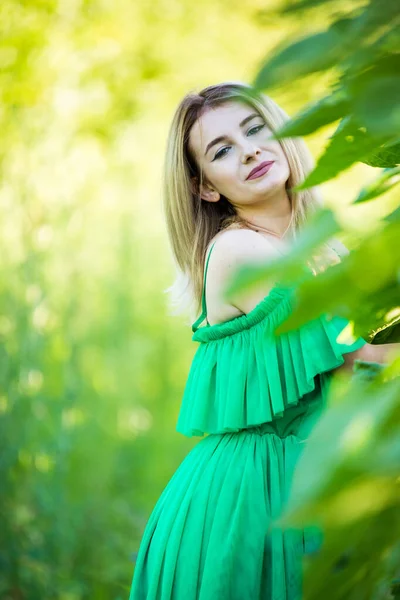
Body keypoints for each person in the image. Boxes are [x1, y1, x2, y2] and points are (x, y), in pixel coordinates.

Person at [128, 81, 395, 600]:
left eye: (256, 129)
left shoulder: (317, 246)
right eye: (221, 150)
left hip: (302, 481)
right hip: (248, 501)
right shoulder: (241, 251)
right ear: (206, 187)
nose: (249, 148)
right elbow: (356, 362)